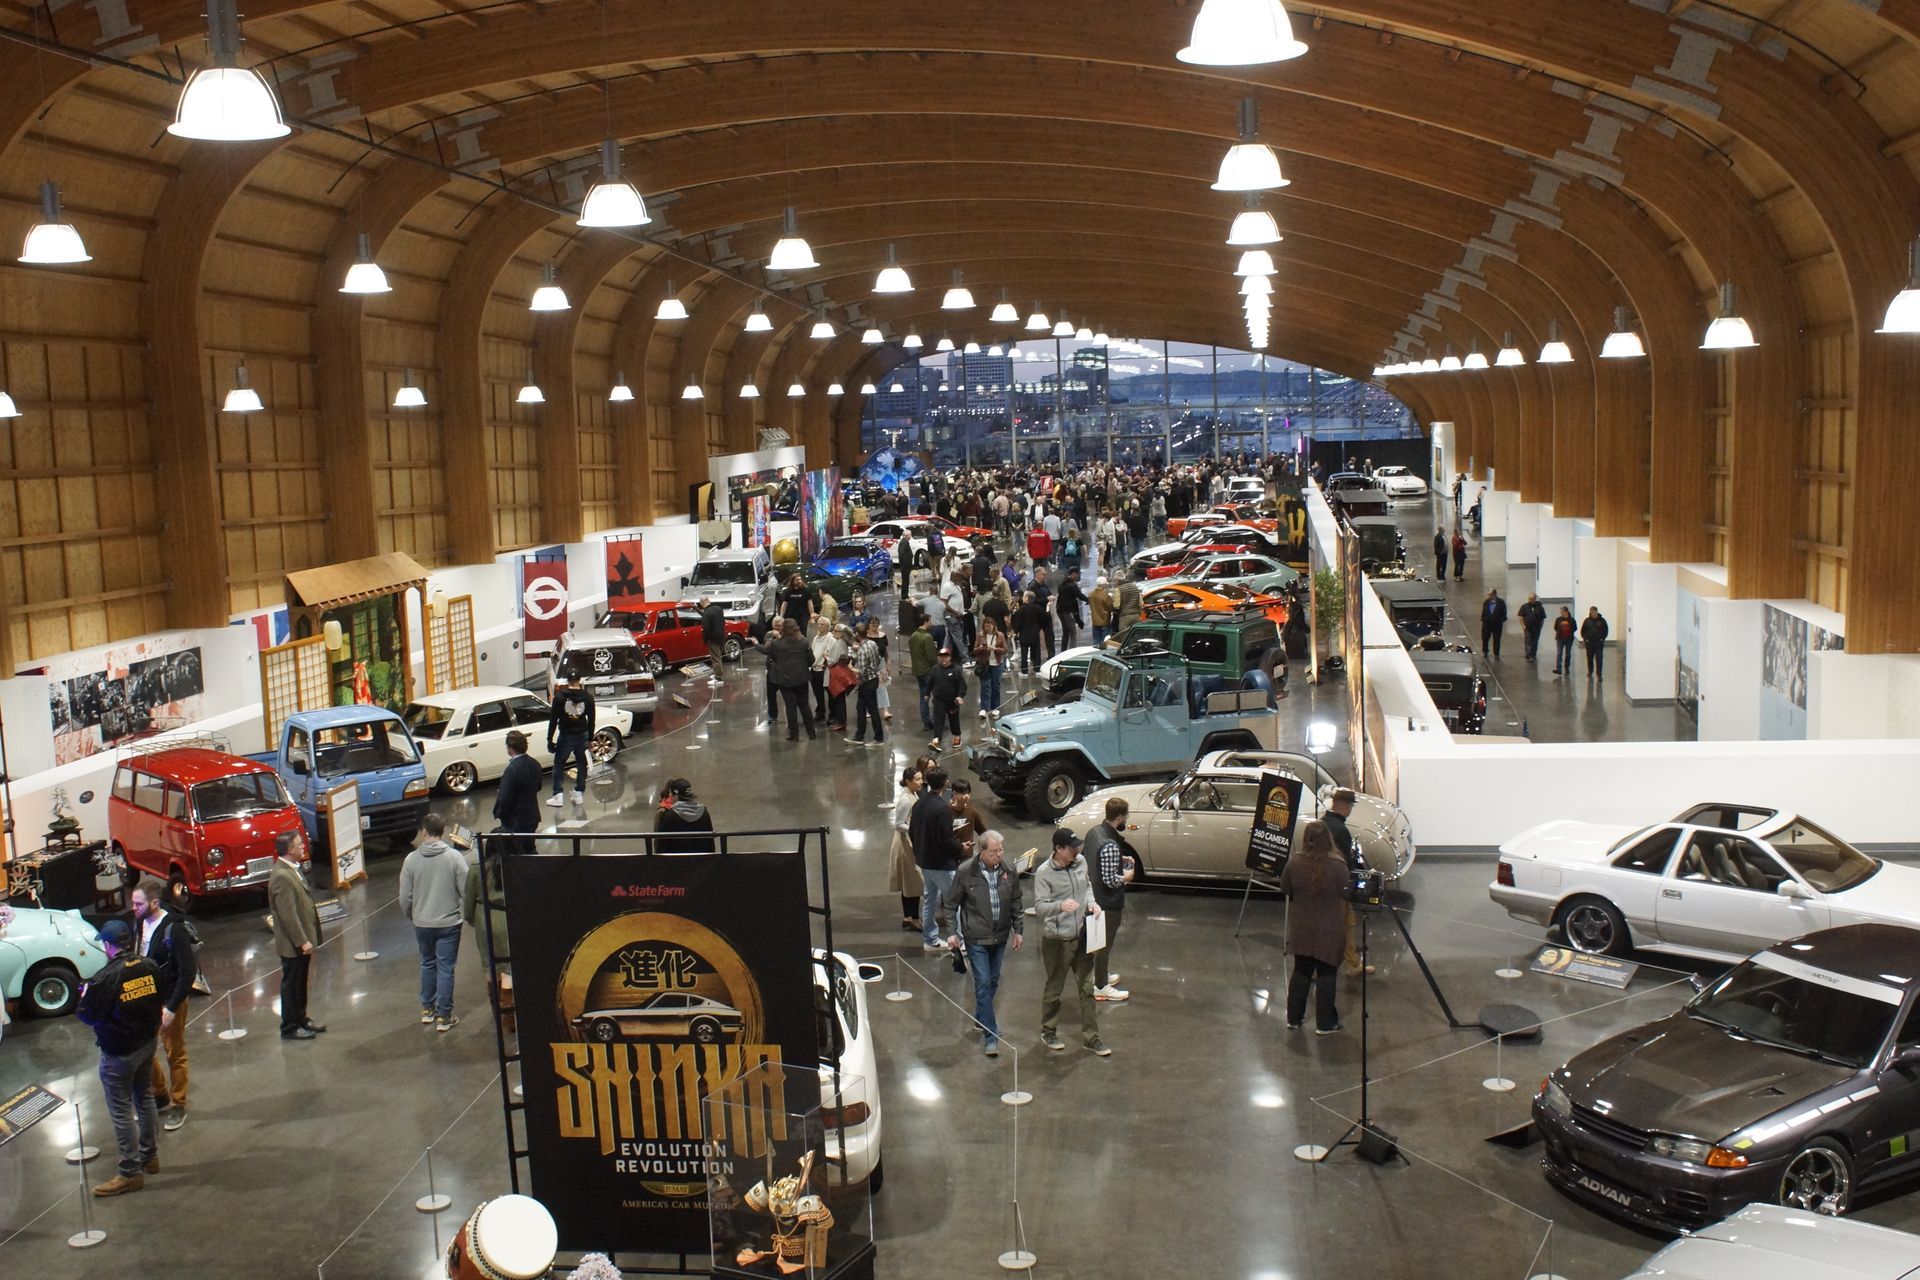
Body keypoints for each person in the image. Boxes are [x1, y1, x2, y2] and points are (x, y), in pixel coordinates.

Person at [76, 919, 163, 1196]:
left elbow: (88, 1014)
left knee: (122, 1111)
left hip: (119, 1052)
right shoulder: (148, 965)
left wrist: (86, 994)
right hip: (147, 1043)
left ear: (108, 944)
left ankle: (129, 1171)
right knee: (145, 1098)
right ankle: (150, 1156)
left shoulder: (106, 977)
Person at [944, 830, 1024, 1056]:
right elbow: (950, 905)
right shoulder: (965, 872)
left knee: (994, 979)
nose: (999, 855)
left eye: (1001, 850)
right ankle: (991, 1034)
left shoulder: (1009, 870)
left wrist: (1019, 929)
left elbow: (1017, 900)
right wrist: (952, 933)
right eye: (994, 851)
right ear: (981, 851)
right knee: (983, 981)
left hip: (1000, 936)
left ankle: (981, 1016)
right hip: (976, 937)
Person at [1033, 828, 1110, 1056]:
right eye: (1071, 847)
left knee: (1087, 988)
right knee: (1055, 988)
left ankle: (1091, 1038)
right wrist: (1060, 906)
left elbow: (1087, 887)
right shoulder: (1044, 873)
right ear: (1058, 849)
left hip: (1083, 935)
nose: (1077, 850)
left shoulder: (1081, 862)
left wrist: (1092, 903)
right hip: (1057, 940)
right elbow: (1039, 908)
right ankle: (1048, 1030)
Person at [130, 877, 195, 1132]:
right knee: (145, 1049)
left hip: (170, 1000)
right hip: (146, 999)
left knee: (174, 1052)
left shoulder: (174, 929)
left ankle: (179, 1104)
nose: (133, 909)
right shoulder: (138, 924)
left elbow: (187, 972)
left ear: (154, 903)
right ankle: (159, 1094)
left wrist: (171, 1006)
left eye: (138, 904)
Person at [1279, 820, 1349, 1035]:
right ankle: (1325, 1023)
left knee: (1301, 971)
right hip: (1329, 928)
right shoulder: (1338, 865)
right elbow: (1346, 892)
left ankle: (1294, 1018)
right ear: (1328, 838)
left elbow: (1285, 888)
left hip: (1302, 928)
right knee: (1327, 973)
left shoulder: (1294, 863)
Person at [401, 812, 468, 1032]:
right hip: (449, 923)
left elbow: (405, 897)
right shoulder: (454, 858)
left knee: (427, 964)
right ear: (444, 832)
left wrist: (413, 915)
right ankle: (444, 1016)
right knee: (446, 968)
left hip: (422, 923)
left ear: (423, 832)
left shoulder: (410, 860)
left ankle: (427, 1010)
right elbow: (465, 889)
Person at [268, 831, 324, 1040]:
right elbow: (288, 915)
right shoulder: (282, 876)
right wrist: (303, 941)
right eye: (300, 845)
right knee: (292, 985)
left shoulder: (293, 869)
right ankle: (290, 1026)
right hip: (293, 944)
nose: (304, 847)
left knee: (301, 983)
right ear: (290, 849)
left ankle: (301, 1017)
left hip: (300, 943)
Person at [909, 767, 965, 951]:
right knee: (953, 903)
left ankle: (930, 939)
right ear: (946, 783)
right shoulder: (942, 809)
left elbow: (912, 831)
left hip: (925, 861)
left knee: (930, 900)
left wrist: (919, 853)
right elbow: (947, 839)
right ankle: (960, 942)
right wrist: (960, 849)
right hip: (942, 864)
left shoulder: (919, 804)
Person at [1085, 797, 1134, 1002]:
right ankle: (1101, 986)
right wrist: (1127, 877)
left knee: (1097, 942)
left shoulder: (1094, 832)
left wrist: (1119, 859)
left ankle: (1100, 975)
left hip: (1093, 898)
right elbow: (1110, 880)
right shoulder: (1111, 844)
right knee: (1104, 945)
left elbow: (1095, 858)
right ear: (1121, 817)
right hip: (1107, 903)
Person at [756, 618, 817, 740]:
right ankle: (811, 733)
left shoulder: (776, 644)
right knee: (805, 705)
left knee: (790, 706)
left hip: (785, 679)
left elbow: (767, 653)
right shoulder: (804, 642)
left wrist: (756, 644)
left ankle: (794, 735)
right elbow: (812, 660)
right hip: (802, 679)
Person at [546, 672, 595, 807]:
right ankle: (579, 793)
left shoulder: (560, 697)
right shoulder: (588, 698)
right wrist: (590, 738)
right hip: (582, 734)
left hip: (566, 734)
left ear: (567, 681)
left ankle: (558, 795)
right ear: (579, 680)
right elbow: (591, 720)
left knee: (559, 764)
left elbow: (553, 720)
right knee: (581, 764)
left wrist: (549, 739)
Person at [889, 764, 926, 931]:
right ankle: (913, 918)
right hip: (906, 844)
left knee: (910, 882)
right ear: (908, 781)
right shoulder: (905, 800)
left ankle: (908, 916)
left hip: (910, 841)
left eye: (921, 778)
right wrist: (915, 828)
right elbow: (898, 824)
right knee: (913, 881)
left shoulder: (912, 794)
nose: (921, 782)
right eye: (917, 779)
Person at [493, 729, 541, 853]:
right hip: (532, 816)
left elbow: (505, 798)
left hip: (515, 820)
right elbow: (538, 786)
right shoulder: (535, 764)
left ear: (510, 748)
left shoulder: (512, 770)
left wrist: (500, 812)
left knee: (516, 853)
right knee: (530, 848)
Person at [849, 618, 887, 744]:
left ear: (856, 635)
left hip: (867, 683)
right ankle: (859, 735)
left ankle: (879, 738)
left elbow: (863, 672)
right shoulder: (872, 644)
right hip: (874, 679)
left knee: (872, 710)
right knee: (860, 708)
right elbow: (875, 661)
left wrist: (852, 669)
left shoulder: (862, 651)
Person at [654, 777, 715, 852]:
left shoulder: (669, 816)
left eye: (670, 793)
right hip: (702, 862)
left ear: (676, 795)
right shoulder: (704, 813)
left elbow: (661, 846)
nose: (669, 795)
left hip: (676, 862)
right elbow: (710, 844)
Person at [926, 646, 967, 750]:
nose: (943, 659)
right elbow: (930, 683)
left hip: (952, 701)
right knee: (938, 720)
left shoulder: (956, 670)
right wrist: (927, 694)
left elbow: (962, 685)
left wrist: (960, 696)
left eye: (945, 657)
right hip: (939, 700)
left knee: (953, 720)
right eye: (941, 657)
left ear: (950, 657)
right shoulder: (935, 669)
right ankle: (936, 740)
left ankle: (957, 736)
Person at [907, 611, 939, 730]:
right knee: (936, 697)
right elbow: (931, 656)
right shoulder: (927, 637)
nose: (931, 622)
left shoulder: (913, 636)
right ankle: (937, 720)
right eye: (930, 620)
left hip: (917, 670)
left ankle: (926, 722)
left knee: (923, 697)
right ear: (925, 622)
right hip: (928, 671)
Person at [972, 616, 1008, 721]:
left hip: (997, 664)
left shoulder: (1000, 635)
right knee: (985, 686)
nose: (988, 628)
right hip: (984, 664)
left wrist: (995, 649)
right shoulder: (980, 636)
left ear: (994, 626)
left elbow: (1005, 650)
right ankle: (984, 708)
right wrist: (981, 648)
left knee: (995, 686)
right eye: (986, 627)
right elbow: (974, 650)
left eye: (989, 626)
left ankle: (995, 707)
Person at [1011, 590, 1046, 673]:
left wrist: (1016, 632)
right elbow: (1044, 619)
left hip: (1024, 635)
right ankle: (1037, 669)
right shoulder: (1038, 609)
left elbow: (1017, 622)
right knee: (1037, 652)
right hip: (1035, 634)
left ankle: (1024, 671)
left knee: (1024, 653)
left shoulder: (1021, 610)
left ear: (1027, 598)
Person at [700, 595, 729, 685]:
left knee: (715, 658)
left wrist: (705, 639)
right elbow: (722, 622)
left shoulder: (706, 613)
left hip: (712, 638)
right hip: (721, 636)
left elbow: (706, 628)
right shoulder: (718, 608)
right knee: (718, 656)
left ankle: (718, 677)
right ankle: (717, 673)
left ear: (702, 603)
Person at [1055, 567, 1086, 649]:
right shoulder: (1072, 586)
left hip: (1060, 610)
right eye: (1077, 573)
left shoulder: (1062, 584)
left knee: (1066, 632)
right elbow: (1080, 595)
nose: (1078, 575)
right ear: (1073, 574)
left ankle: (1063, 650)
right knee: (1073, 632)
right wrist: (1089, 600)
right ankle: (1072, 651)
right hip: (1067, 611)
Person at [1581, 606, 1610, 680]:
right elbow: (1583, 631)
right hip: (1589, 643)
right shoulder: (1587, 621)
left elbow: (1606, 630)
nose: (1594, 614)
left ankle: (1599, 674)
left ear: (1597, 612)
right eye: (1592, 612)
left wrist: (1602, 639)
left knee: (1599, 658)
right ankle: (1590, 671)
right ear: (1590, 612)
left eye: (1595, 612)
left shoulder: (1602, 621)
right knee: (1590, 658)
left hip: (1599, 643)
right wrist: (1585, 639)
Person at [1113, 574, 1143, 642]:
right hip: (1136, 616)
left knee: (1124, 638)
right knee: (1136, 637)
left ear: (1118, 581)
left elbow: (1116, 606)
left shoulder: (1118, 589)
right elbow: (1141, 603)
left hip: (1125, 617)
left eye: (1115, 581)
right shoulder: (1135, 587)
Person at [1518, 593, 1547, 663]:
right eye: (1529, 599)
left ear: (1535, 599)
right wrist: (1523, 626)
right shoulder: (1524, 607)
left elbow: (1543, 618)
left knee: (1535, 641)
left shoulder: (1539, 607)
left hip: (1536, 628)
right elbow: (1521, 617)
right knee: (1528, 641)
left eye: (1532, 599)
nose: (1530, 600)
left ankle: (1533, 653)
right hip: (1527, 628)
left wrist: (1541, 627)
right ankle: (1529, 655)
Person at [1480, 589, 1507, 658]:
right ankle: (1485, 651)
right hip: (1487, 624)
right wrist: (1484, 619)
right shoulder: (1486, 602)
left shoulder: (1501, 603)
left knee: (1497, 639)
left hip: (1497, 624)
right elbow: (1484, 612)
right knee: (1485, 638)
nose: (1489, 596)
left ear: (1494, 594)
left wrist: (1500, 620)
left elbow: (1504, 614)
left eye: (1490, 594)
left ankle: (1496, 653)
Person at [1088, 575, 1114, 646]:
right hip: (1104, 622)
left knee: (1096, 643)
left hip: (1095, 622)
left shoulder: (1090, 595)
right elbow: (1110, 608)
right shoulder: (1106, 595)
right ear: (1104, 585)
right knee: (1104, 643)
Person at [1551, 605, 1576, 675]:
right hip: (1560, 638)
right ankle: (1558, 668)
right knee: (1559, 653)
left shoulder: (1572, 620)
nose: (1561, 613)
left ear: (1566, 612)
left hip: (1569, 639)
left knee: (1568, 654)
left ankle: (1567, 667)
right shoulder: (1558, 619)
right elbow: (1555, 627)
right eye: (1560, 612)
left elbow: (1575, 628)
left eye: (1562, 612)